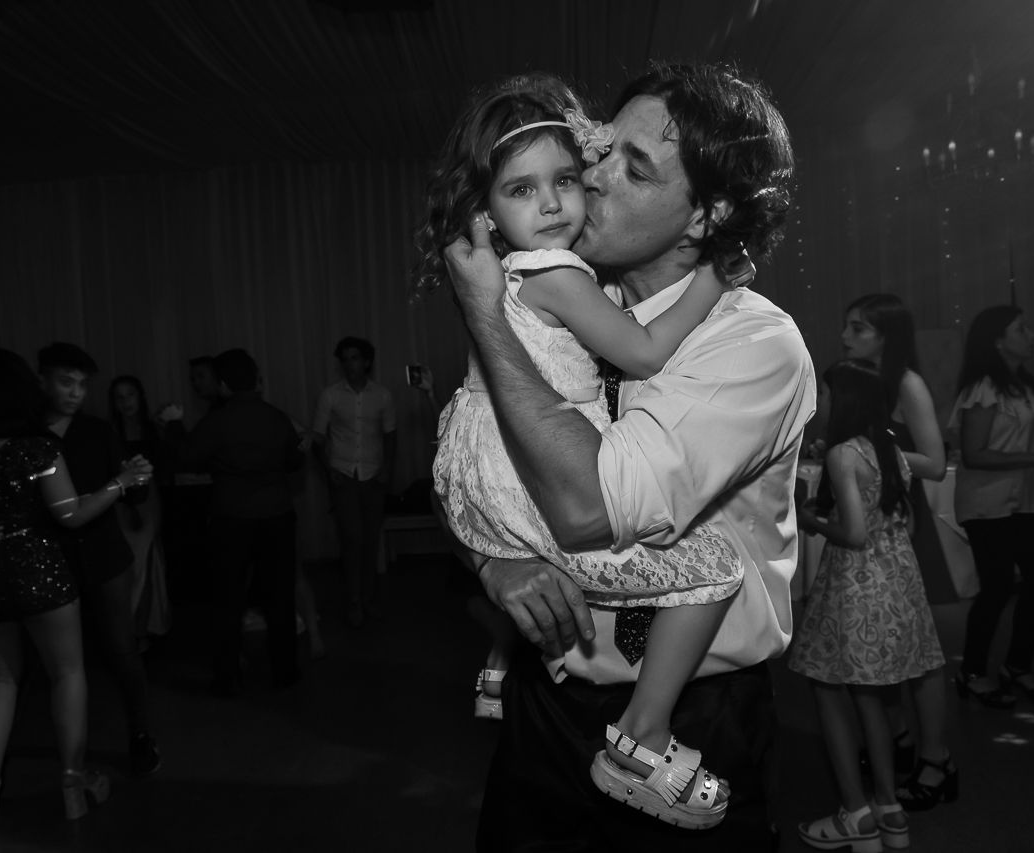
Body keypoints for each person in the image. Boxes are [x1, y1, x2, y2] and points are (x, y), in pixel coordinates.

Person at [446, 63, 812, 850]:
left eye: (635, 168)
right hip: (549, 698)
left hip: (695, 714)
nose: (592, 176)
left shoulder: (753, 343)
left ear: (706, 215)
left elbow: (588, 508)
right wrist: (495, 565)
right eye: (602, 149)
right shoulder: (560, 300)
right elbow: (477, 468)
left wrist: (485, 319)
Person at [0, 349, 152, 832]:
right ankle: (73, 783)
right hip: (37, 570)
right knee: (67, 673)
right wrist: (120, 483)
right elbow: (71, 514)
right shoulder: (39, 448)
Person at [792, 359, 943, 851]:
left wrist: (809, 522)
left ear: (845, 399)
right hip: (897, 579)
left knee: (826, 687)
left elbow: (854, 534)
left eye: (826, 393)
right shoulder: (890, 449)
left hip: (854, 585)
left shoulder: (843, 453)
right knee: (871, 695)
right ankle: (889, 810)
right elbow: (905, 522)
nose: (821, 402)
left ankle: (855, 814)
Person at [839, 294, 955, 810]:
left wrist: (870, 450)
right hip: (872, 517)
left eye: (858, 328)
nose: (846, 337)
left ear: (887, 336)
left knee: (919, 650)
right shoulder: (865, 379)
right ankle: (901, 737)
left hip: (903, 522)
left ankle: (937, 759)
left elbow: (935, 462)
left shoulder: (907, 382)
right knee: (881, 639)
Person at [949, 307, 1034, 709]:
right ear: (996, 340)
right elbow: (974, 453)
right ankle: (973, 671)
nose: (1031, 334)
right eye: (1020, 329)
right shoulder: (983, 387)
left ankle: (1017, 666)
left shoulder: (1023, 385)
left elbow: (1021, 441)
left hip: (1025, 500)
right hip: (988, 501)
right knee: (997, 588)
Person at [37, 344, 162, 779]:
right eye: (66, 382)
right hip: (52, 558)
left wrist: (138, 475)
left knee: (122, 650)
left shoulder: (96, 431)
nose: (76, 392)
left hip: (104, 555)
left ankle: (140, 734)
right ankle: (68, 756)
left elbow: (134, 493)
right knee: (58, 663)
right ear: (42, 381)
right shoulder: (26, 436)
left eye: (82, 385)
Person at [161, 348, 306, 695]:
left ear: (223, 385)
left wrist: (173, 423)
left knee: (227, 599)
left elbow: (184, 457)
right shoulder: (277, 417)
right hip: (276, 517)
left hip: (232, 519)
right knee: (279, 596)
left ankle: (227, 677)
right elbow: (293, 462)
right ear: (256, 380)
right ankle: (285, 672)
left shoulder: (218, 421)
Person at [312, 336, 397, 627]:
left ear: (367, 361)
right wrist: (327, 468)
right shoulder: (330, 395)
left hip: (373, 475)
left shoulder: (382, 395)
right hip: (343, 473)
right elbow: (317, 436)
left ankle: (368, 598)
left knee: (371, 540)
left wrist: (388, 468)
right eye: (345, 359)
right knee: (352, 538)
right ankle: (353, 600)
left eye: (355, 358)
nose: (350, 364)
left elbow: (390, 434)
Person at [109, 375, 173, 641]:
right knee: (130, 565)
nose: (125, 402)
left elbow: (166, 468)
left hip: (150, 500)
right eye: (119, 397)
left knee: (148, 562)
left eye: (130, 395)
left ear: (140, 397)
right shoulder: (110, 433)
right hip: (121, 501)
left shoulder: (153, 430)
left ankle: (143, 630)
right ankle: (131, 632)